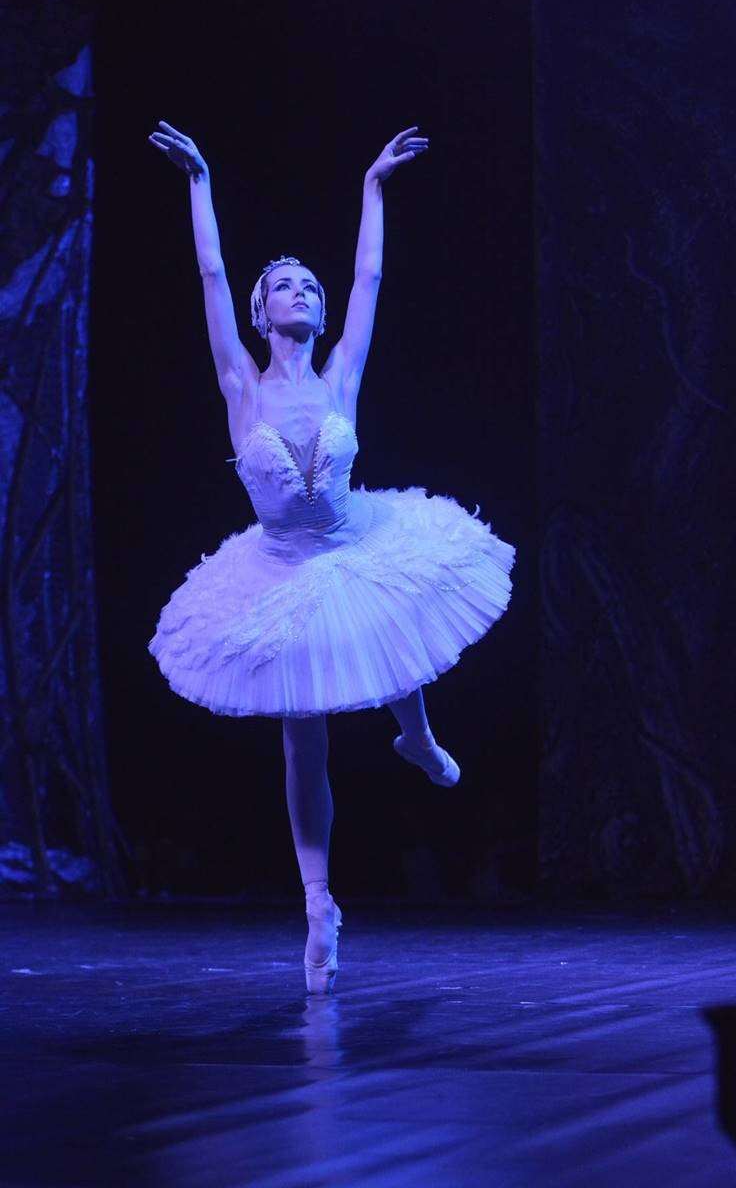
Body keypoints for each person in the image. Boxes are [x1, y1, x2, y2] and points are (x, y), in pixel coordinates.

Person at [146, 119, 516, 993]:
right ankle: (319, 904)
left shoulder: (341, 373)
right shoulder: (240, 383)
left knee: (388, 601)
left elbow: (369, 277)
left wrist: (371, 185)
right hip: (278, 569)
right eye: (285, 285)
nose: (304, 292)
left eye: (310, 285)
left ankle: (415, 737)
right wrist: (199, 182)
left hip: (355, 540)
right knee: (302, 739)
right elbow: (209, 273)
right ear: (261, 312)